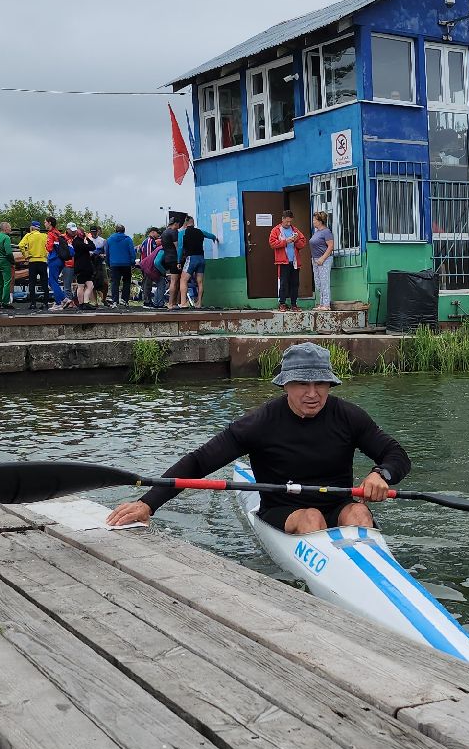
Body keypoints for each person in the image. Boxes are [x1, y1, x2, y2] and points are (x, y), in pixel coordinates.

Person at [106, 342, 407, 533]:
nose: (313, 394)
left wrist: (381, 474)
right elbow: (198, 463)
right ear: (285, 385)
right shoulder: (260, 423)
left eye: (321, 384)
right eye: (302, 383)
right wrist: (149, 503)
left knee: (359, 511)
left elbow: (396, 454)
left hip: (339, 504)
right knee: (311, 518)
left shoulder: (348, 416)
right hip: (283, 510)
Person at [269, 211, 304, 311]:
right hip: (283, 261)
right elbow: (272, 243)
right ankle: (282, 303)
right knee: (283, 283)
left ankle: (294, 304)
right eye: (287, 221)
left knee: (295, 283)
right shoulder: (276, 230)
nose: (289, 224)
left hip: (295, 262)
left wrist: (296, 240)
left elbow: (302, 243)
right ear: (282, 219)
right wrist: (285, 241)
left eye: (290, 222)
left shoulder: (295, 230)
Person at [177, 214, 207, 309]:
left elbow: (180, 248)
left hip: (191, 258)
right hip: (201, 258)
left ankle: (183, 303)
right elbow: (211, 235)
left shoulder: (183, 233)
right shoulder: (200, 232)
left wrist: (178, 261)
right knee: (200, 282)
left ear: (185, 223)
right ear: (193, 222)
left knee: (183, 280)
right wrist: (215, 239)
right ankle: (199, 303)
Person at [20, 221, 51, 310]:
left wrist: (26, 255)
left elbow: (21, 245)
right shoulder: (44, 236)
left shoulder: (28, 236)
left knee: (32, 283)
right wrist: (46, 254)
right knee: (44, 283)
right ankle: (45, 304)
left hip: (32, 261)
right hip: (43, 261)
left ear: (32, 228)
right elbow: (49, 246)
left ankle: (33, 304)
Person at [309, 210, 335, 310]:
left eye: (314, 220)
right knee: (318, 282)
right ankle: (321, 304)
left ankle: (326, 305)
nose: (313, 222)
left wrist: (322, 259)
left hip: (324, 260)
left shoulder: (326, 232)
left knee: (324, 282)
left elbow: (331, 246)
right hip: (315, 260)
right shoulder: (317, 232)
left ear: (320, 221)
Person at [105, 223, 135, 308]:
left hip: (114, 264)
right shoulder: (128, 239)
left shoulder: (110, 239)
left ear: (115, 230)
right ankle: (124, 300)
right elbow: (132, 251)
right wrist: (132, 262)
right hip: (126, 264)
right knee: (126, 282)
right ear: (124, 231)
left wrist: (108, 263)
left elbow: (107, 252)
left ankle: (115, 300)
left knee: (115, 282)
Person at [70, 225, 97, 309]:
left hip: (81, 266)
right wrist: (88, 238)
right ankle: (82, 303)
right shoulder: (79, 242)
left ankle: (85, 302)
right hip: (83, 266)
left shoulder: (76, 241)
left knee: (89, 285)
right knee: (81, 286)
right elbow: (92, 247)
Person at [138, 228, 161, 306]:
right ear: (152, 232)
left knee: (147, 282)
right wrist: (150, 265)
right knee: (147, 283)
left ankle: (147, 299)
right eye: (157, 233)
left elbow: (140, 251)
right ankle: (147, 300)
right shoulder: (149, 241)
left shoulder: (146, 241)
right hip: (147, 265)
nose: (158, 235)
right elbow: (149, 255)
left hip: (145, 265)